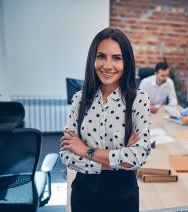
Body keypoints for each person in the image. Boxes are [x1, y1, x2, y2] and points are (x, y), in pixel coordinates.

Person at [60, 27, 151, 212]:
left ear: (127, 62)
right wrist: (118, 160)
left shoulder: (138, 99)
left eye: (116, 58)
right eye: (101, 56)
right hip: (84, 192)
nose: (107, 65)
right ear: (93, 59)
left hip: (122, 195)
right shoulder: (80, 99)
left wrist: (85, 150)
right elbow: (67, 154)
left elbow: (138, 156)